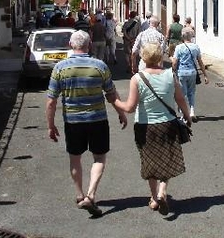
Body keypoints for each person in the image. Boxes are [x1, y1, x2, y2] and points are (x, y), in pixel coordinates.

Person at [45, 30, 128, 216]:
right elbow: (111, 94)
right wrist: (121, 113)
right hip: (97, 119)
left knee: (75, 159)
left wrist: (50, 125)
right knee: (99, 158)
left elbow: (51, 100)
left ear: (70, 45)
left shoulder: (60, 68)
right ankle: (90, 195)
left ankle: (79, 194)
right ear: (89, 45)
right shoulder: (100, 66)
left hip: (73, 121)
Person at [113, 42, 192, 215]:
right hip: (168, 124)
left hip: (145, 126)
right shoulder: (170, 75)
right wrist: (187, 116)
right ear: (160, 57)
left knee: (150, 161)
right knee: (167, 158)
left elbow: (130, 108)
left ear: (143, 57)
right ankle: (163, 190)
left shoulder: (137, 78)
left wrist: (114, 101)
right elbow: (180, 99)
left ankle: (154, 198)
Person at [172, 29, 208, 122]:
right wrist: (205, 75)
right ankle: (192, 111)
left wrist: (172, 71)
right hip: (192, 72)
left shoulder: (179, 47)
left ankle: (184, 113)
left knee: (182, 93)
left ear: (182, 36)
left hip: (181, 72)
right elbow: (200, 62)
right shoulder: (195, 47)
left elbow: (175, 62)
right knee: (191, 92)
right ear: (191, 37)